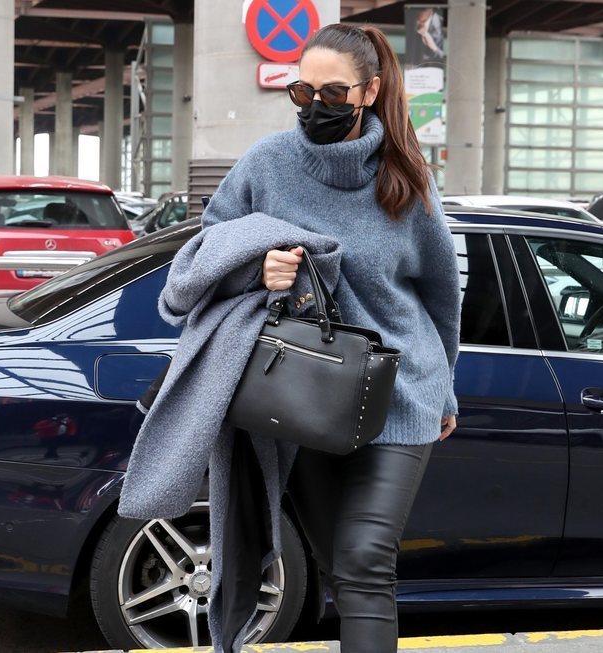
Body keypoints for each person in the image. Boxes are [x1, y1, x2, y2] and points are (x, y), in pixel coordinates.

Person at [199, 23, 461, 652]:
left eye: (334, 94)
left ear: (369, 92)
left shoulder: (405, 177)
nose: (316, 106)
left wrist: (445, 389)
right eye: (302, 92)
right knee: (339, 565)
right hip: (303, 394)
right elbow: (208, 244)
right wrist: (254, 268)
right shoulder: (267, 164)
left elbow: (441, 296)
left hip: (401, 393)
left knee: (367, 560)